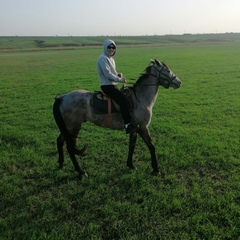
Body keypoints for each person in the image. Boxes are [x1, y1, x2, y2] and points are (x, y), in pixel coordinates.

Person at [97, 39, 138, 134]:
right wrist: (120, 79)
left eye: (113, 47)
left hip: (112, 85)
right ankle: (127, 125)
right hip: (107, 86)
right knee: (124, 101)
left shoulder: (111, 59)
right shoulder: (102, 58)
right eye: (109, 47)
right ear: (105, 48)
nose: (111, 49)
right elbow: (107, 75)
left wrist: (118, 74)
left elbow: (113, 73)